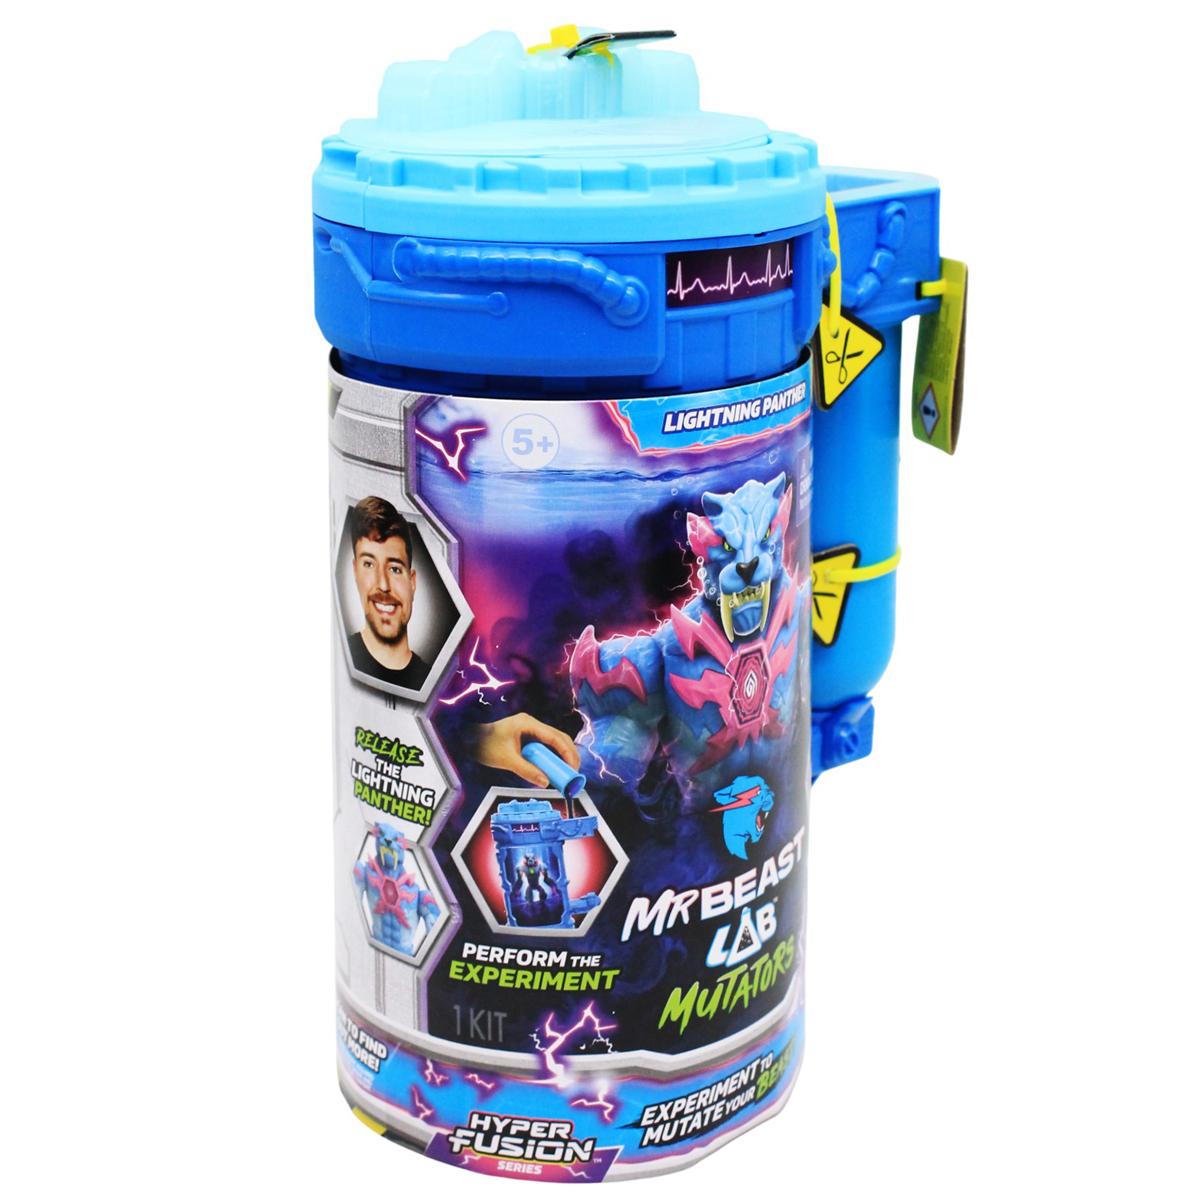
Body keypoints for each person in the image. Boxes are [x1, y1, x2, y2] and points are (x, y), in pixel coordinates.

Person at [346, 497, 430, 690]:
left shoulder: (435, 681)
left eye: (394, 569)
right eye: (369, 564)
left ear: (412, 582)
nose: (383, 585)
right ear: (355, 572)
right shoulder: (343, 656)